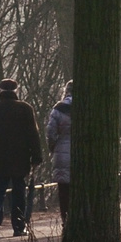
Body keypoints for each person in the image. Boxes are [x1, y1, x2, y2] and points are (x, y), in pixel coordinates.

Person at [0, 78, 44, 238]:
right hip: (20, 157)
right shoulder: (25, 109)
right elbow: (33, 135)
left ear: (0, 90)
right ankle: (18, 225)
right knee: (18, 191)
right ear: (16, 90)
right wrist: (36, 156)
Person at [46, 81, 73, 216]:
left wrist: (54, 148)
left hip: (62, 153)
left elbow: (50, 133)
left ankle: (66, 218)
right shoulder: (88, 107)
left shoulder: (58, 109)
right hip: (83, 153)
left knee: (64, 190)